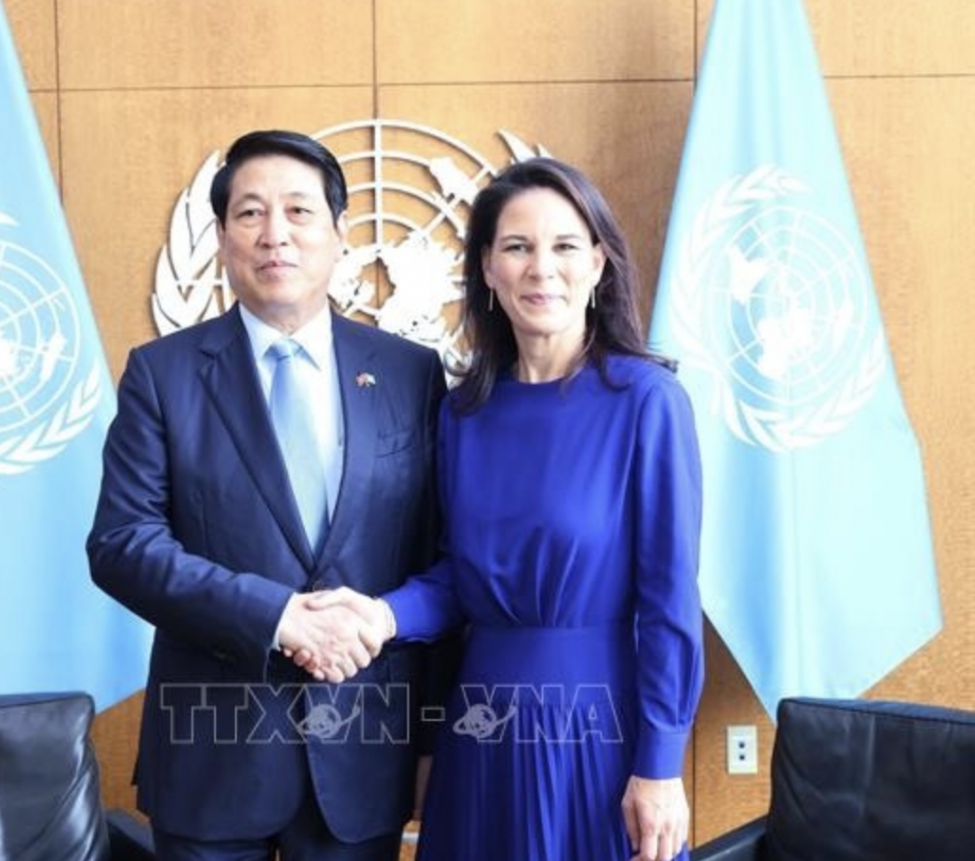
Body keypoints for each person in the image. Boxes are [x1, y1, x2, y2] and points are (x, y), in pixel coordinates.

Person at [300, 157, 705, 861]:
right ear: (488, 268)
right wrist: (380, 615)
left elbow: (670, 601)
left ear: (600, 262)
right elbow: (459, 577)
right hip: (480, 727)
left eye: (564, 246)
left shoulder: (647, 402)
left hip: (598, 731)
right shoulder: (463, 412)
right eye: (517, 247)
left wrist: (661, 764)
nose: (540, 269)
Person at [87, 129, 448, 861]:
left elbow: (440, 553)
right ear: (222, 238)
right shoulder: (164, 374)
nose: (275, 234)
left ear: (340, 233)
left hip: (363, 751)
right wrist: (277, 615)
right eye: (250, 213)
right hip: (211, 760)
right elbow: (123, 544)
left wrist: (433, 737)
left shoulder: (411, 373)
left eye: (298, 211)